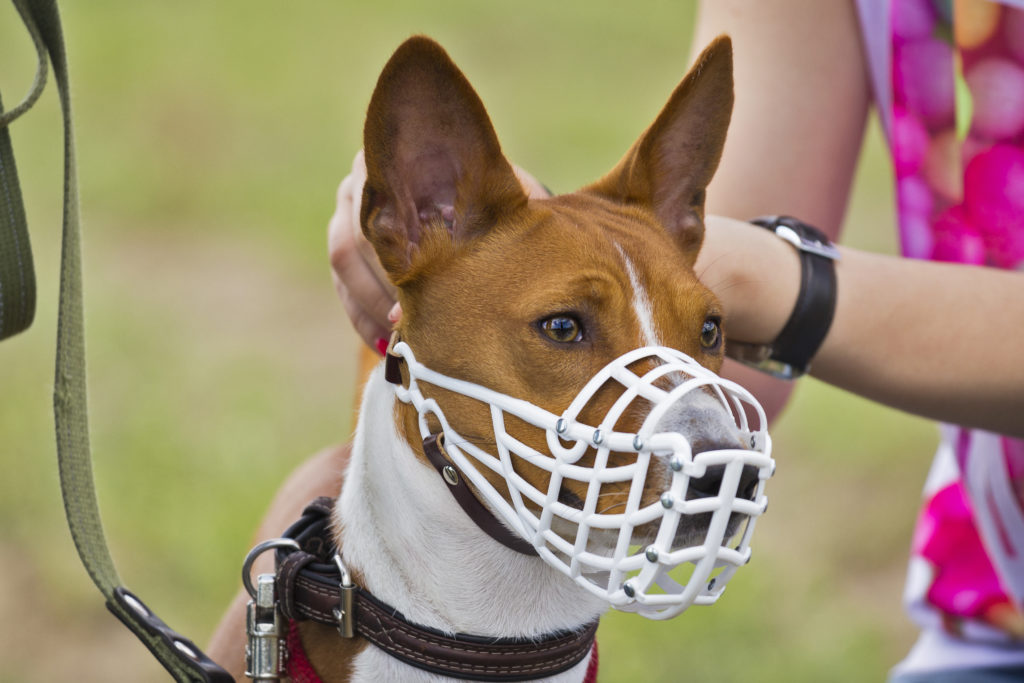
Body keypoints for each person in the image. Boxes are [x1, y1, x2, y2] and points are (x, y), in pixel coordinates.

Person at [208, 1, 1024, 680]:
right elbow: (741, 362)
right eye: (565, 328)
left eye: (705, 332)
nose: (696, 436)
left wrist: (768, 287)